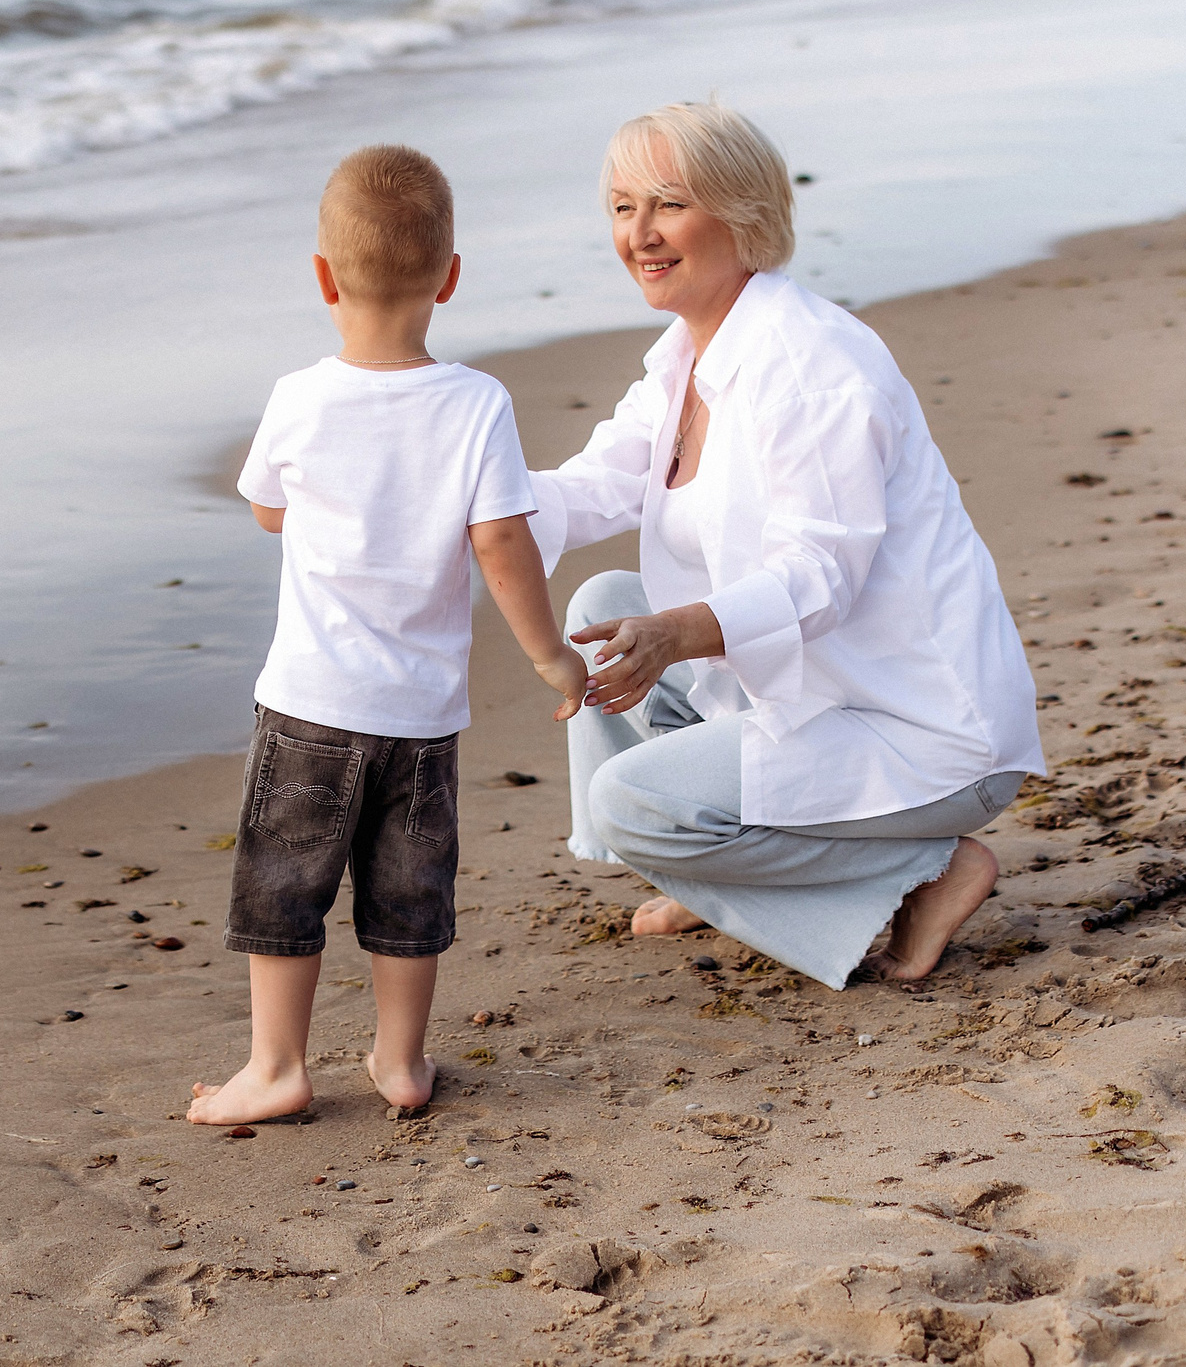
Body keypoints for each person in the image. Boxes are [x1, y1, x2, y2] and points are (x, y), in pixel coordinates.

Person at [528, 101, 1045, 987]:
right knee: (603, 606)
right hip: (803, 697)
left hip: (921, 731)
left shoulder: (811, 364)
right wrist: (443, 502)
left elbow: (820, 577)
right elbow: (586, 488)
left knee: (630, 802)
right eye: (622, 207)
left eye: (668, 205)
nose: (640, 234)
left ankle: (926, 871)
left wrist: (680, 631)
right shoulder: (686, 355)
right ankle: (709, 865)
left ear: (742, 213)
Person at [187, 144, 586, 1126]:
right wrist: (548, 654)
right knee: (409, 893)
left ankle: (277, 1065)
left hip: (308, 707)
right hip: (419, 714)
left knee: (284, 886)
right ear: (450, 279)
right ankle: (401, 1062)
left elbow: (267, 511)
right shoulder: (476, 404)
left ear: (321, 276)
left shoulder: (298, 397)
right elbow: (500, 539)